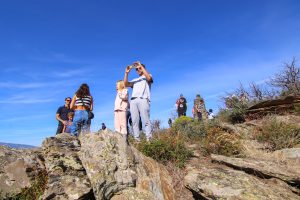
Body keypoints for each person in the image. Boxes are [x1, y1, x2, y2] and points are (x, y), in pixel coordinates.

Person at [124, 61, 153, 141]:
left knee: (146, 120)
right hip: (133, 101)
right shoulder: (135, 80)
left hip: (143, 99)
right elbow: (126, 84)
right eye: (136, 69)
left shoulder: (148, 76)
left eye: (139, 68)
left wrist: (140, 65)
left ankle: (149, 140)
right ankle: (137, 140)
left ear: (143, 68)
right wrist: (126, 73)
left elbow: (149, 78)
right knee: (134, 122)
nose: (138, 70)